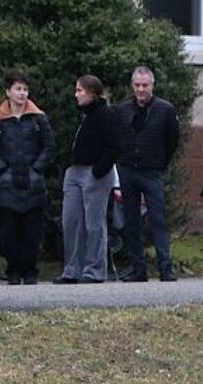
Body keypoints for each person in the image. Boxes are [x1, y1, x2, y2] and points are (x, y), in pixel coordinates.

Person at [0, 70, 56, 285]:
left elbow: (49, 146)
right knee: (10, 233)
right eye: (18, 89)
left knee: (32, 232)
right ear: (8, 92)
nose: (22, 93)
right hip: (7, 183)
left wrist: (36, 169)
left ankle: (30, 271)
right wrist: (2, 170)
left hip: (33, 183)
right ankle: (13, 272)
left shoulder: (38, 118)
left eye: (25, 89)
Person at [115, 66, 180, 282]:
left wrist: (161, 163)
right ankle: (138, 268)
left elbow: (172, 141)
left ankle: (165, 267)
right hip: (127, 170)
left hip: (152, 171)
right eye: (137, 85)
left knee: (158, 219)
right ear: (132, 86)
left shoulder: (165, 110)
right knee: (131, 221)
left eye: (145, 85)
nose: (141, 89)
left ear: (152, 86)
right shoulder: (122, 110)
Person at [56, 74, 121, 285]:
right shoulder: (82, 116)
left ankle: (94, 269)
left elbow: (116, 145)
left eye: (79, 90)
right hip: (74, 171)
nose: (76, 94)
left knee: (94, 224)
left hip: (94, 172)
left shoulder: (105, 115)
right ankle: (72, 268)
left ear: (92, 93)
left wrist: (99, 170)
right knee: (71, 221)